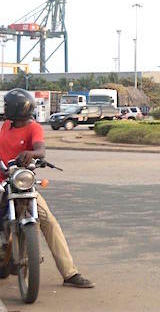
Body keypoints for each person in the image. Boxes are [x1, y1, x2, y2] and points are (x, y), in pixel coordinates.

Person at [1, 89, 94, 288]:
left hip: (21, 182)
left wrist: (32, 153)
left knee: (49, 222)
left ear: (16, 109)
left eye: (7, 105)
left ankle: (70, 273)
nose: (5, 108)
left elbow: (41, 149)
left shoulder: (34, 128)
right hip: (2, 181)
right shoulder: (6, 126)